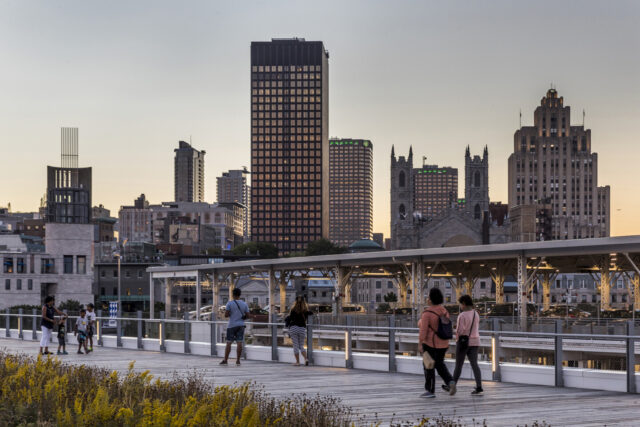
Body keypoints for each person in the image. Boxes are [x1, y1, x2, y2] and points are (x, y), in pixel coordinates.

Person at [418, 288, 456, 398]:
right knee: (440, 365)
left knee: (428, 365)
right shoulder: (444, 311)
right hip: (443, 343)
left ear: (430, 299)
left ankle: (430, 390)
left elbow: (423, 330)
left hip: (430, 343)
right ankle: (450, 382)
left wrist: (420, 343)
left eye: (428, 297)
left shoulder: (427, 313)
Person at [452, 294, 483, 395]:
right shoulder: (476, 314)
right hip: (475, 341)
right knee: (474, 364)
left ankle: (451, 386)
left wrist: (454, 330)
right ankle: (479, 387)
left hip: (463, 343)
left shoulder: (462, 315)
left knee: (458, 365)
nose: (460, 306)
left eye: (460, 304)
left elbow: (460, 331)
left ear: (464, 304)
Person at [220, 288, 249, 366]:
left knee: (229, 343)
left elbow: (226, 315)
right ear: (240, 295)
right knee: (239, 342)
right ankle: (238, 360)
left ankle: (225, 360)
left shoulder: (229, 303)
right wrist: (242, 317)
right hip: (241, 325)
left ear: (233, 295)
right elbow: (248, 315)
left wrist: (231, 314)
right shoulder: (244, 304)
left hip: (232, 325)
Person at [286, 296, 313, 366]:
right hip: (302, 329)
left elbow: (290, 318)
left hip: (293, 328)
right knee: (301, 345)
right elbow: (311, 313)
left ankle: (297, 362)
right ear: (304, 302)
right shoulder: (306, 311)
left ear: (296, 302)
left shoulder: (293, 309)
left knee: (295, 345)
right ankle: (306, 359)